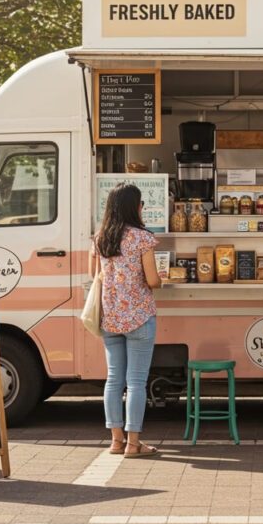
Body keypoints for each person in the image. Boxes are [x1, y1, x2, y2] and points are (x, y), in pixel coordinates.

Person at [90, 183, 163, 458]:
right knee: (135, 382)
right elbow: (153, 280)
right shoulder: (142, 238)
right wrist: (162, 281)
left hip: (110, 318)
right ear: (135, 207)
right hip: (139, 318)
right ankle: (134, 444)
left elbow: (96, 275)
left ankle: (116, 441)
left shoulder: (101, 238)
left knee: (113, 379)